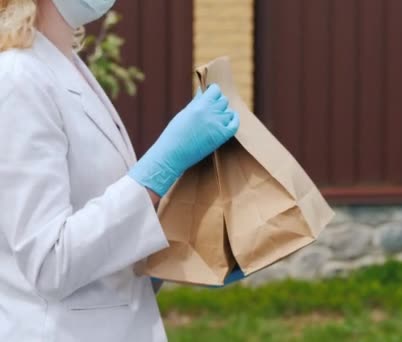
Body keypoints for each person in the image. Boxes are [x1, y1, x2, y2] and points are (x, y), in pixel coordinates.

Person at [0, 0, 240, 341]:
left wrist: (182, 253)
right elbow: (49, 263)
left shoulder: (65, 67)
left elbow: (97, 227)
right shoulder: (17, 78)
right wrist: (160, 168)